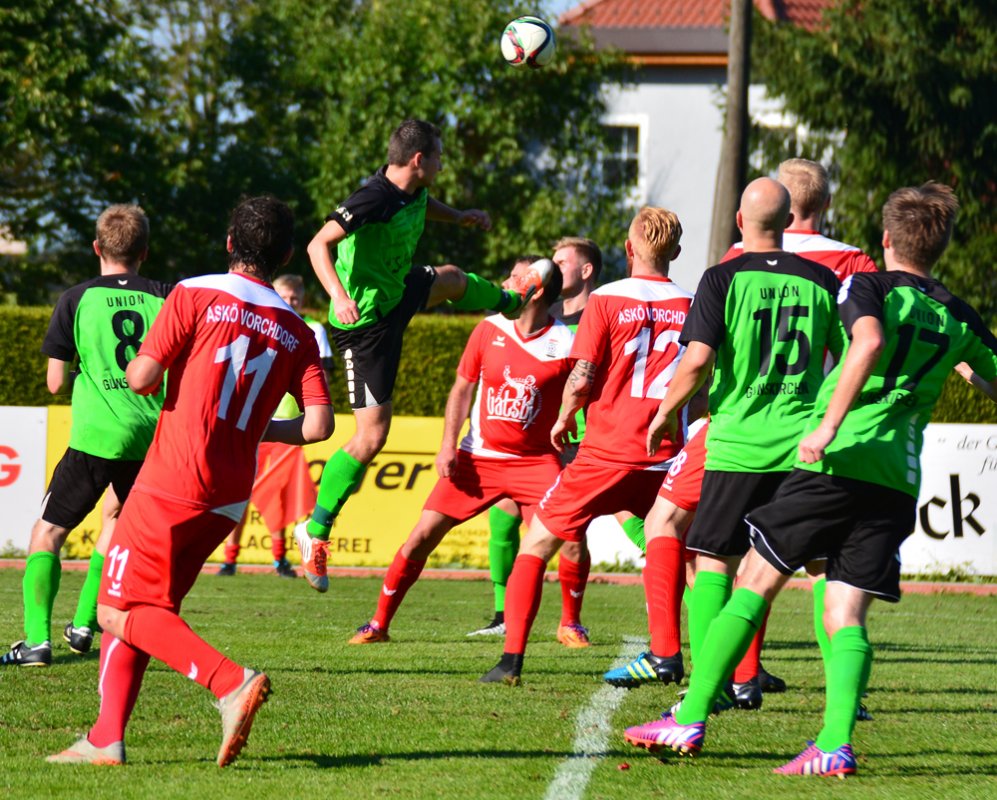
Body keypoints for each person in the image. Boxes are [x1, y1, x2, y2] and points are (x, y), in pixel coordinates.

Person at [624, 182, 997, 777]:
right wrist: (964, 368)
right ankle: (833, 744)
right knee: (845, 610)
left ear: (886, 239)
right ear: (942, 246)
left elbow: (866, 341)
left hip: (834, 459)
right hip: (897, 477)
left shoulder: (865, 287)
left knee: (751, 578)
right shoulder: (959, 314)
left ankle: (690, 715)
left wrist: (827, 426)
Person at [47, 195, 334, 767]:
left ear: (229, 243)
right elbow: (319, 425)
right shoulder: (298, 330)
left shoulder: (193, 292)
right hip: (228, 494)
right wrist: (260, 428)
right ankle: (105, 739)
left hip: (174, 477)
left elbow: (141, 376)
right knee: (147, 609)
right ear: (283, 257)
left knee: (112, 610)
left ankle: (231, 682)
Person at [610, 159, 878, 705]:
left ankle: (709, 689)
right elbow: (853, 354)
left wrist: (665, 412)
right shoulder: (823, 279)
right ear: (789, 219)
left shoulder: (723, 276)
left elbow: (697, 361)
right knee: (821, 568)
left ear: (739, 220)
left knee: (713, 559)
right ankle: (842, 696)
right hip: (802, 446)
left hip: (736, 445)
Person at [295, 118, 551, 593]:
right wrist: (338, 296)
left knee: (450, 278)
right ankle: (315, 530)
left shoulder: (410, 190)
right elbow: (317, 244)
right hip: (364, 324)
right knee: (371, 437)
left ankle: (512, 301)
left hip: (396, 292)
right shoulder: (371, 197)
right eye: (438, 157)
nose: (442, 164)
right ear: (419, 160)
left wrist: (459, 216)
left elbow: (421, 204)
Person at [480, 207, 694, 685]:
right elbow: (698, 379)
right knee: (692, 557)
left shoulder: (608, 297)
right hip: (665, 454)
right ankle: (716, 663)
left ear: (628, 248)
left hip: (605, 452)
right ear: (676, 252)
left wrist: (564, 417)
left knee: (537, 543)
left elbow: (583, 375)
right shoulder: (692, 301)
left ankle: (510, 662)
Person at [349, 256, 573, 643]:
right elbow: (461, 389)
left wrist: (570, 430)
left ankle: (570, 624)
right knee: (421, 537)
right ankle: (379, 624)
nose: (506, 283)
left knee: (570, 540)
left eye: (516, 278)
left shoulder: (566, 341)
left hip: (536, 462)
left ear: (534, 291)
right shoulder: (488, 329)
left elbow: (585, 393)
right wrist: (447, 446)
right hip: (477, 458)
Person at [2, 205, 171, 668]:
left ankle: (36, 641)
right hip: (149, 436)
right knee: (115, 520)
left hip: (97, 436)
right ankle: (82, 623)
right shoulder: (165, 295)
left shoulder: (75, 298)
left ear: (97, 247)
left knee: (47, 533)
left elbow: (55, 382)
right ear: (144, 252)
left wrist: (89, 374)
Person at [468, 237, 603, 641]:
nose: (552, 267)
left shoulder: (597, 315)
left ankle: (572, 619)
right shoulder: (538, 320)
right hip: (532, 446)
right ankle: (502, 615)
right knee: (503, 518)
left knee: (579, 533)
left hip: (581, 443)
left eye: (562, 261)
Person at [218, 274, 334, 577]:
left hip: (289, 429)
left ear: (303, 300)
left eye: (295, 298)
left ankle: (279, 557)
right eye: (285, 297)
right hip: (254, 421)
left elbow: (322, 379)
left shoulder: (313, 329)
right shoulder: (262, 322)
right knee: (240, 491)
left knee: (279, 496)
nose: (291, 302)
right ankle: (229, 558)